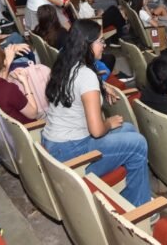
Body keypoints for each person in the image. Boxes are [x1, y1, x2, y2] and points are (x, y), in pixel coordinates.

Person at [41, 20, 151, 207]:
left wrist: (101, 86)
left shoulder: (63, 63)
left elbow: (78, 88)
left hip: (53, 143)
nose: (104, 45)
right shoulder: (87, 76)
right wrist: (108, 123)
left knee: (129, 128)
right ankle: (139, 207)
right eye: (100, 41)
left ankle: (132, 191)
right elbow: (97, 131)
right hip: (73, 153)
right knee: (138, 144)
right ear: (87, 44)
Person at [0, 43, 41, 123]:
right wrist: (25, 82)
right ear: (4, 62)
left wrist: (7, 62)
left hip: (7, 130)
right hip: (31, 128)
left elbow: (0, 83)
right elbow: (33, 114)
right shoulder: (10, 89)